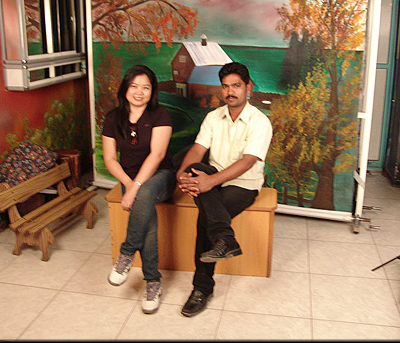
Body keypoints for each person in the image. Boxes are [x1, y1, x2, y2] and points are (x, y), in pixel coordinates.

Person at [176, 61, 273, 317]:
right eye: (226, 86)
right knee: (195, 167)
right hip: (212, 180)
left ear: (248, 87)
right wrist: (182, 174)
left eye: (236, 86)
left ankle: (202, 289)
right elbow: (198, 149)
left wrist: (209, 182)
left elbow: (248, 162)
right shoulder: (213, 117)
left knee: (205, 219)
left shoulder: (259, 122)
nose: (230, 92)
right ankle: (226, 240)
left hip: (243, 185)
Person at [102, 65, 176, 314]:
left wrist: (134, 188)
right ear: (125, 88)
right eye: (134, 86)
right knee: (147, 221)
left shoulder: (160, 115)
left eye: (146, 87)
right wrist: (129, 184)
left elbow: (158, 154)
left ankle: (126, 252)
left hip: (162, 176)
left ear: (152, 91)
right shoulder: (113, 118)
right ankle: (153, 282)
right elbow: (110, 159)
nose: (139, 92)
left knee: (143, 195)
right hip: (130, 179)